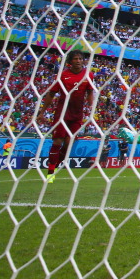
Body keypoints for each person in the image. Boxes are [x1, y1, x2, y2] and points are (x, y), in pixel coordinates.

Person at [38, 50, 94, 183]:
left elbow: (90, 92)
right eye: (75, 59)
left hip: (77, 113)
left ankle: (55, 165)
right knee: (57, 141)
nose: (78, 61)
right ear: (70, 61)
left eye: (80, 58)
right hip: (62, 112)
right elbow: (51, 94)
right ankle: (50, 173)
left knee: (69, 143)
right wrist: (42, 112)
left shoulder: (88, 75)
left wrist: (91, 108)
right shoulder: (63, 75)